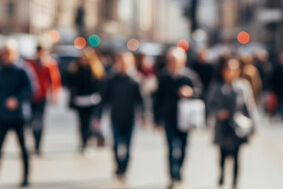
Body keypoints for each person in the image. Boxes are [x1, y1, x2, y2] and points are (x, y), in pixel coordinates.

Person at [0, 40, 33, 188]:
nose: (5, 56)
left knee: (23, 148)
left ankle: (26, 178)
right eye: (3, 53)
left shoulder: (23, 70)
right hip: (3, 117)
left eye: (8, 53)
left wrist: (17, 100)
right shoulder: (0, 71)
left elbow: (31, 89)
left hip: (19, 117)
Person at [153, 47, 203, 188]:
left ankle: (179, 170)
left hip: (185, 119)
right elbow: (157, 99)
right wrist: (157, 120)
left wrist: (190, 92)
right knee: (170, 148)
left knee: (183, 148)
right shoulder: (163, 77)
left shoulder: (189, 76)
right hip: (169, 118)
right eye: (170, 61)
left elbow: (200, 91)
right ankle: (173, 176)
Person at [206, 56, 259, 189]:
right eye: (229, 68)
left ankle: (235, 183)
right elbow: (209, 104)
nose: (231, 71)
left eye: (234, 68)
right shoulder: (216, 86)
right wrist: (218, 112)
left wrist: (254, 126)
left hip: (238, 125)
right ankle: (222, 174)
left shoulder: (242, 86)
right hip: (222, 125)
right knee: (222, 154)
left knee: (236, 155)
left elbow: (249, 106)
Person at [96, 52, 145, 180]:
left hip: (130, 118)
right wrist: (98, 116)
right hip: (115, 117)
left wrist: (144, 117)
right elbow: (104, 99)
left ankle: (124, 168)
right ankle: (118, 166)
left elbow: (141, 101)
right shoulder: (111, 80)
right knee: (116, 144)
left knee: (128, 146)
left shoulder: (135, 80)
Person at [25, 44, 62, 155]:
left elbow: (54, 80)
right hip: (31, 96)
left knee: (39, 121)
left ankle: (38, 145)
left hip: (42, 96)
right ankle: (34, 142)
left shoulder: (49, 64)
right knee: (31, 121)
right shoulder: (30, 63)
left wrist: (54, 95)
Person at [68, 47, 105, 154]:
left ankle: (88, 142)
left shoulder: (95, 70)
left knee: (89, 123)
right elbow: (70, 83)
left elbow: (100, 85)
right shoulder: (76, 69)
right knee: (81, 123)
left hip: (91, 101)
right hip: (80, 101)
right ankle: (83, 142)